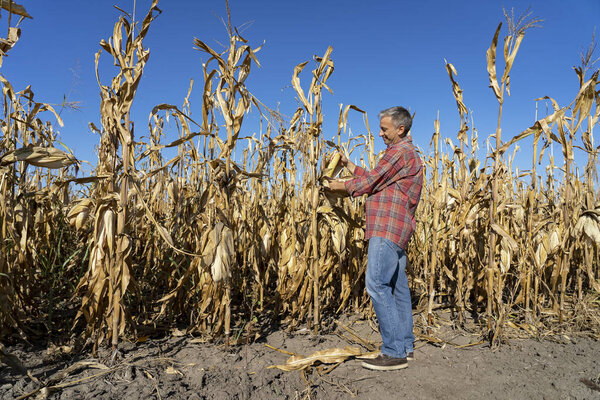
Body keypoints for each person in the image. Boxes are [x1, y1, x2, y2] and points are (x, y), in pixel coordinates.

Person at [324, 106, 423, 371]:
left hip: (387, 228)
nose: (379, 133)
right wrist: (349, 166)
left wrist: (338, 185)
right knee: (398, 290)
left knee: (377, 285)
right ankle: (406, 346)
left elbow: (371, 182)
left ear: (400, 129)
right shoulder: (406, 154)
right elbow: (377, 179)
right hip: (399, 230)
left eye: (384, 129)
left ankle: (393, 352)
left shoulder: (400, 152)